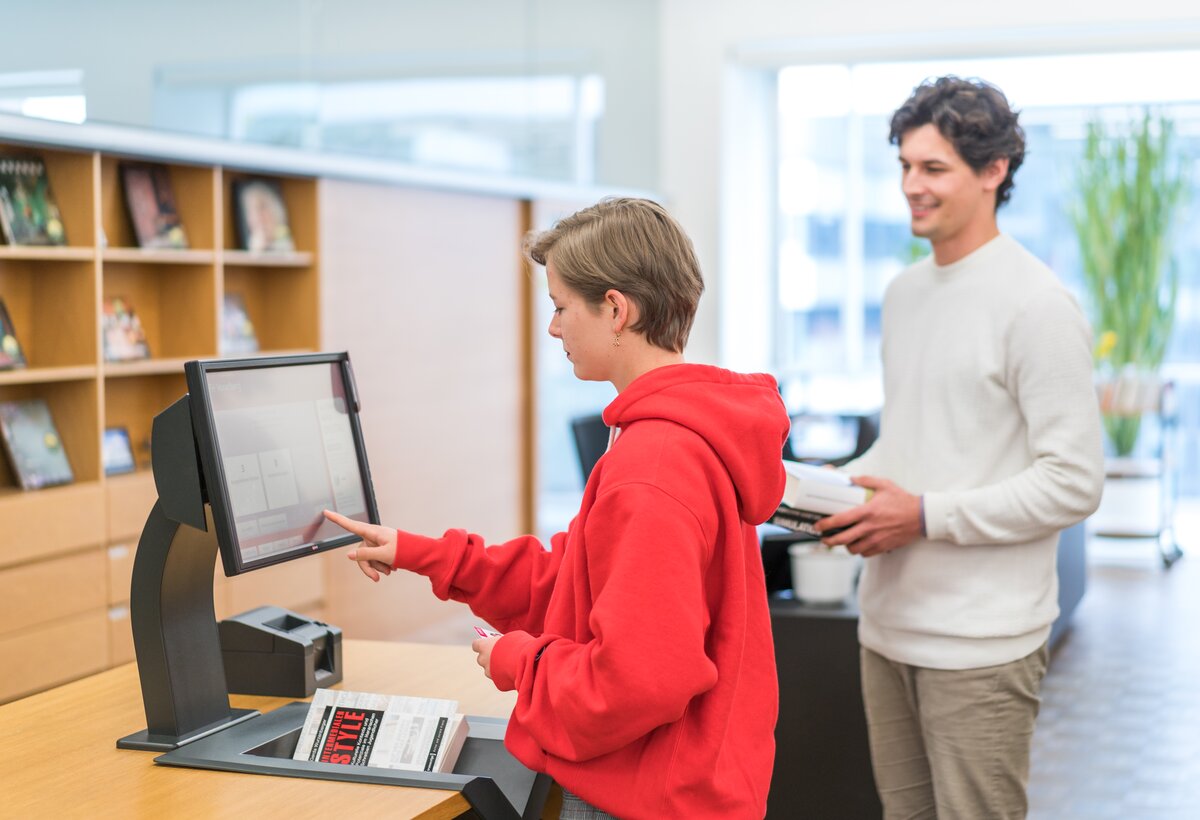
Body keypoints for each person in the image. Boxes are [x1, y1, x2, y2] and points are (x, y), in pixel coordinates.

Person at [324, 197, 789, 819]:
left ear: (616, 310)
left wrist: (517, 659)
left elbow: (641, 679)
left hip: (651, 800)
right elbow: (568, 581)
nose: (553, 328)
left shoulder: (652, 465)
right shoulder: (671, 437)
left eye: (561, 307)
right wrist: (421, 553)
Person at [816, 76, 1104, 819]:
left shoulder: (1037, 306)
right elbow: (912, 442)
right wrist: (825, 488)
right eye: (906, 166)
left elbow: (1074, 482)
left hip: (983, 645)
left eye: (933, 168)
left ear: (993, 171)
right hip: (886, 627)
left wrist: (924, 516)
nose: (912, 185)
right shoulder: (904, 295)